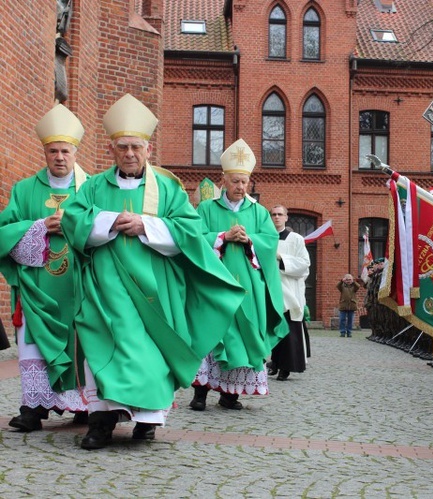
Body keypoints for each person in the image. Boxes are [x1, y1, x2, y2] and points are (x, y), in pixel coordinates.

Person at [61, 94, 245, 449]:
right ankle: (100, 422)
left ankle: (146, 422)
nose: (130, 153)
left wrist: (146, 225)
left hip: (155, 290)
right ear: (112, 150)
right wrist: (111, 220)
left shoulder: (168, 188)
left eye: (136, 147)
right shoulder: (95, 186)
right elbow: (73, 219)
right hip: (105, 288)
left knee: (151, 352)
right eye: (123, 147)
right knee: (102, 347)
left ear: (148, 149)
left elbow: (190, 231)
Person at [0, 104, 88, 431]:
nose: (60, 157)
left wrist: (74, 227)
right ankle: (33, 408)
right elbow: (3, 233)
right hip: (36, 286)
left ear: (75, 152)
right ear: (45, 152)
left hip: (78, 286)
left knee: (80, 345)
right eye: (53, 151)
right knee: (33, 344)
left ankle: (82, 405)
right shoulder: (25, 189)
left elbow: (101, 231)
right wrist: (38, 227)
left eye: (65, 150)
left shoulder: (90, 188)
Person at [190, 139, 288, 411]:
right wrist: (222, 236)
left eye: (244, 182)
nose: (240, 187)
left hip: (246, 288)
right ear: (224, 180)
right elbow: (194, 239)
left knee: (242, 338)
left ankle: (230, 394)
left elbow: (270, 241)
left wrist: (250, 240)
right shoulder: (207, 209)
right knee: (210, 335)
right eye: (235, 181)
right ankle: (200, 393)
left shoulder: (257, 211)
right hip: (214, 285)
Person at [268, 205, 310, 381]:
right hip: (269, 288)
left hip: (289, 289)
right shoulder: (265, 237)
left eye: (280, 214)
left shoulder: (296, 239)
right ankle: (274, 363)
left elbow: (304, 265)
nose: (276, 217)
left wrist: (281, 258)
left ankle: (287, 366)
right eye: (273, 214)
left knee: (288, 330)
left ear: (286, 217)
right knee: (272, 327)